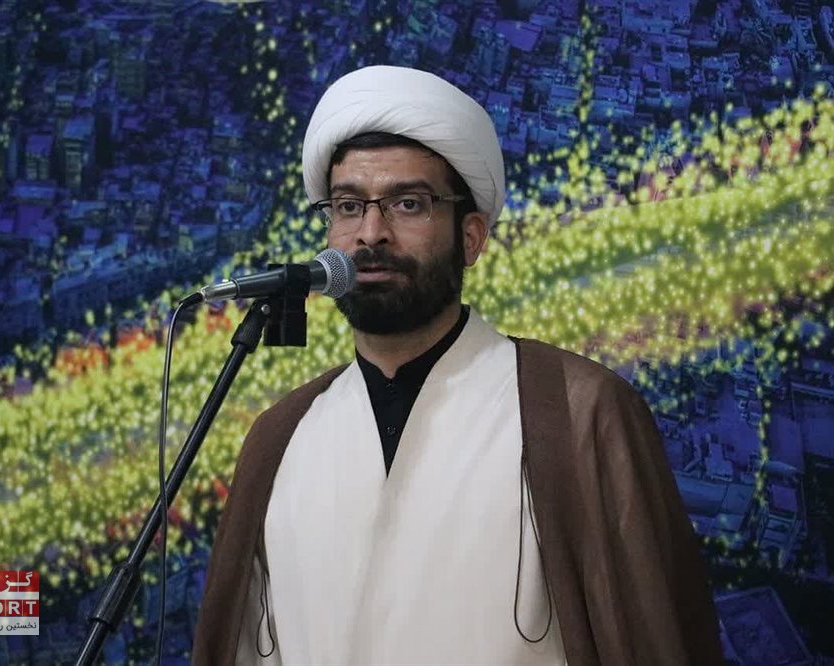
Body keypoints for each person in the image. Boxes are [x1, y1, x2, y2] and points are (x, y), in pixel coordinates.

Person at [193, 66, 723, 666]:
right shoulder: (281, 437)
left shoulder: (577, 412)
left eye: (408, 204)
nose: (371, 233)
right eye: (348, 206)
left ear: (470, 238)